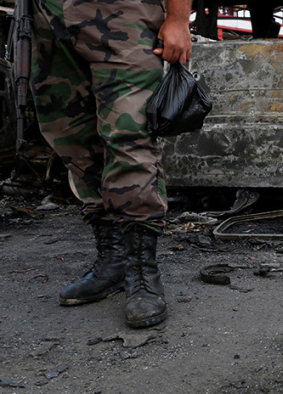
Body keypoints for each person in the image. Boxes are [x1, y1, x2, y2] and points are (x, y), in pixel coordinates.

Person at [30, 0, 192, 328]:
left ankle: (142, 273)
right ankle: (113, 259)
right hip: (50, 14)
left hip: (123, 13)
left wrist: (178, 17)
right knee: (70, 132)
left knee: (129, 136)